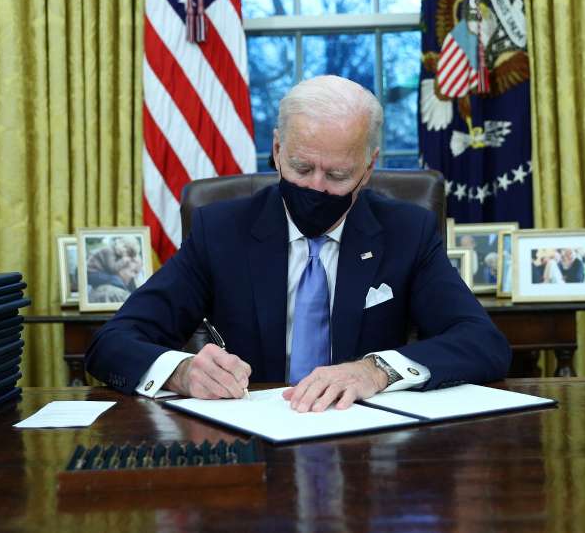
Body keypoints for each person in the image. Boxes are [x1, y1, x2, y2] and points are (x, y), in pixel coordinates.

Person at [85, 75, 511, 413]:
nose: (316, 187)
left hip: (367, 447)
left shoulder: (406, 232)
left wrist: (377, 370)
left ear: (368, 168)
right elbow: (113, 342)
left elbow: (482, 342)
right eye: (301, 167)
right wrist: (180, 372)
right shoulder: (221, 230)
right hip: (252, 446)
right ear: (276, 149)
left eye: (338, 175)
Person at [85, 236, 144, 304]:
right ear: (121, 269)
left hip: (95, 275)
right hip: (91, 273)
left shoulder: (114, 253)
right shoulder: (108, 251)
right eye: (133, 271)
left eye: (137, 273)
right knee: (115, 279)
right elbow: (113, 268)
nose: (134, 277)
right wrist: (123, 260)